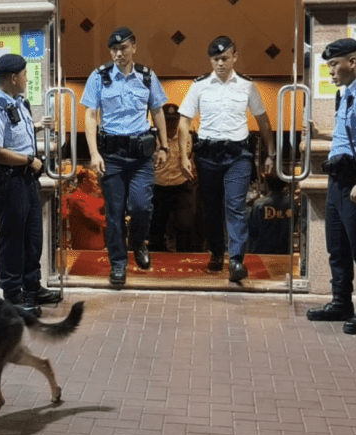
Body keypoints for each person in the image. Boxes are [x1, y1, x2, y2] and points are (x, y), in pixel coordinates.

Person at [178, 35, 276, 282]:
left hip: (238, 155)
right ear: (210, 60)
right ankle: (215, 252)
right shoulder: (198, 85)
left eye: (224, 58)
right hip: (208, 154)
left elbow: (263, 120)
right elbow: (184, 121)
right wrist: (183, 156)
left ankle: (236, 261)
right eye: (215, 59)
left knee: (235, 206)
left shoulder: (247, 85)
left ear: (235, 57)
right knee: (210, 208)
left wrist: (271, 153)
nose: (220, 63)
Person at [306, 37, 356, 335]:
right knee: (337, 247)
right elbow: (349, 136)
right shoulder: (347, 94)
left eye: (334, 65)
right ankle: (341, 302)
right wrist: (321, 133)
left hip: (355, 181)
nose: (330, 72)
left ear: (352, 62)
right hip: (338, 181)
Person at [81, 26, 169, 286]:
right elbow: (89, 115)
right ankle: (118, 263)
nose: (119, 53)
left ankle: (139, 242)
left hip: (141, 155)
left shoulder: (146, 76)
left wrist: (164, 146)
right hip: (112, 155)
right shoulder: (99, 77)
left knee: (142, 206)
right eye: (114, 49)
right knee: (115, 212)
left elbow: (158, 111)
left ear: (134, 47)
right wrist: (94, 152)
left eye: (123, 48)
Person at [0, 53, 63, 315]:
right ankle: (13, 294)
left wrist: (39, 125)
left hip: (26, 181)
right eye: (26, 74)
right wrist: (29, 160)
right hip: (9, 182)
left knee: (32, 237)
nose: (28, 78)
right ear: (14, 78)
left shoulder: (17, 103)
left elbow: (14, 134)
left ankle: (32, 286)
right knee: (13, 239)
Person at [149, 102, 197, 253]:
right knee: (156, 229)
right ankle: (156, 263)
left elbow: (194, 159)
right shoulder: (150, 137)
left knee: (185, 226)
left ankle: (183, 261)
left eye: (174, 121)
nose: (171, 125)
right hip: (157, 187)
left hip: (181, 186)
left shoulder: (189, 137)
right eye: (167, 121)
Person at [247, 173, 295, 254]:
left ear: (267, 184)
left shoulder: (259, 204)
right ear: (284, 184)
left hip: (261, 250)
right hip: (285, 251)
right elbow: (293, 225)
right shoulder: (292, 204)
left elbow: (252, 230)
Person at [62, 166, 107, 251]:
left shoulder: (88, 196)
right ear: (85, 181)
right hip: (87, 248)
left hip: (96, 245)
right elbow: (93, 217)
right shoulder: (78, 197)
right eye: (93, 180)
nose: (96, 183)